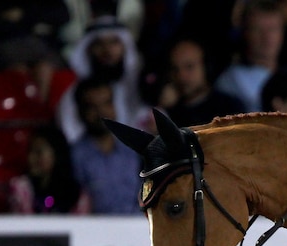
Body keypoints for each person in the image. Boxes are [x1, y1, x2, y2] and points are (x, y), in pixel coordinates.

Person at [57, 15, 150, 143]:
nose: (107, 50)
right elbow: (71, 132)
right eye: (99, 44)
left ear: (125, 46)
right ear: (88, 49)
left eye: (114, 42)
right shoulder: (75, 91)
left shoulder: (140, 87)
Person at [69, 77, 142, 214]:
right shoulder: (74, 156)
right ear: (80, 111)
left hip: (137, 229)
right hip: (95, 231)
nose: (101, 112)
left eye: (106, 103)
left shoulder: (133, 149)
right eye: (92, 107)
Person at [158, 38, 245, 127]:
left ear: (206, 67)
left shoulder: (230, 109)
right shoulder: (169, 110)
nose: (181, 76)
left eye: (189, 67)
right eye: (175, 69)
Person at [8, 124, 89, 214]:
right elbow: (24, 223)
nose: (31, 158)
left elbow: (80, 225)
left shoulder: (77, 194)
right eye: (30, 151)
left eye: (38, 152)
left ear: (57, 154)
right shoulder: (21, 187)